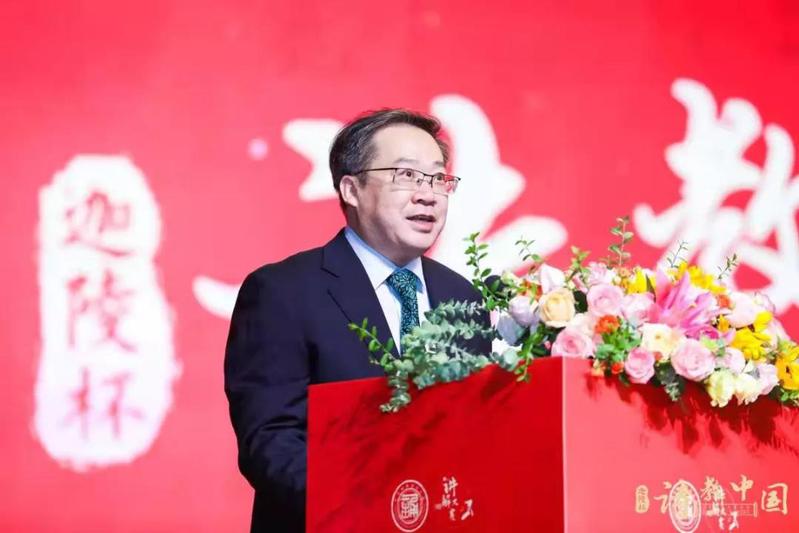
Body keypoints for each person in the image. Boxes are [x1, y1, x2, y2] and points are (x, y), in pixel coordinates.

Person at [224, 108, 489, 532]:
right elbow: (271, 441)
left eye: (438, 178)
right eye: (407, 175)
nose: (428, 194)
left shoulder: (463, 298)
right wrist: (370, 510)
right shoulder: (283, 292)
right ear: (351, 189)